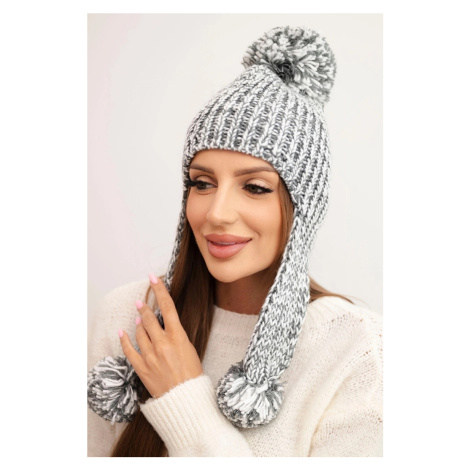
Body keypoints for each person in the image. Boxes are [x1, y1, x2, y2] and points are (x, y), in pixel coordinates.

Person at [87, 26, 383, 457]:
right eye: (202, 183)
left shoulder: (355, 350)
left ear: (302, 210)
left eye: (255, 187)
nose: (217, 212)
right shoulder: (127, 319)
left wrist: (184, 398)